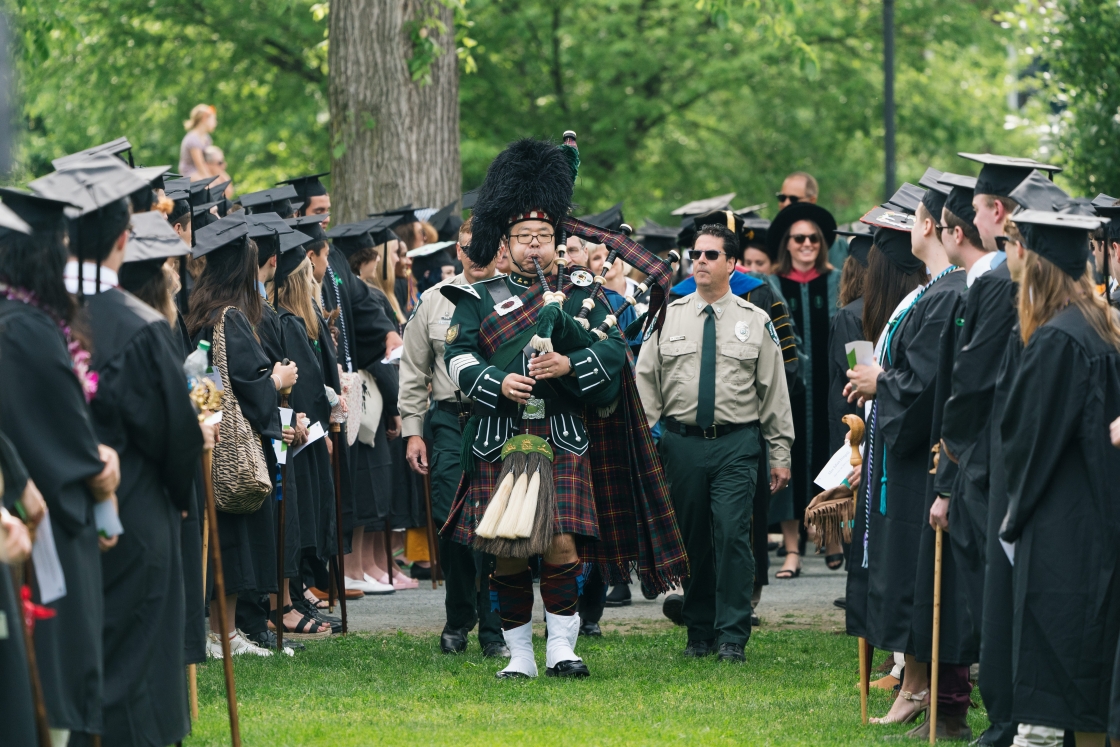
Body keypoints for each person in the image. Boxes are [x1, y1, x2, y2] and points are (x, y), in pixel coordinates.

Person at [442, 137, 687, 680]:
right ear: (504, 243)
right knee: (507, 549)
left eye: (544, 237)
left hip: (562, 436)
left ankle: (561, 649)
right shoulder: (478, 298)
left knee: (559, 542)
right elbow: (454, 356)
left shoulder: (581, 295)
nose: (535, 246)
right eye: (524, 237)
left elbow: (614, 350)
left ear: (558, 241)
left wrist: (569, 367)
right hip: (498, 438)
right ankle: (520, 656)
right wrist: (496, 380)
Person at [637, 223, 794, 661]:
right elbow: (646, 381)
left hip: (736, 443)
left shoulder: (755, 320)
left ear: (731, 263)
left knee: (731, 534)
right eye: (696, 254)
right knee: (692, 541)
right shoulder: (667, 315)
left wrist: (779, 453)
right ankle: (699, 631)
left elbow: (774, 391)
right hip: (681, 444)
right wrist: (646, 444)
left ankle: (731, 635)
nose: (699, 261)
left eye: (710, 255)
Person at [0, 188, 121, 745]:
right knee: (54, 680)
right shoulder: (23, 328)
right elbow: (70, 440)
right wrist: (101, 468)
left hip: (39, 516)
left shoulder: (20, 319)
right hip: (46, 528)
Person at [998, 207, 1120, 746]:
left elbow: (1030, 443)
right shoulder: (1102, 327)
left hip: (1060, 529)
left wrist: (1012, 514)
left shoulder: (1055, 341)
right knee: (1088, 688)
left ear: (1038, 268)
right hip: (1100, 521)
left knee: (1050, 680)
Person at [844, 193, 966, 727]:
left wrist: (881, 383)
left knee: (919, 571)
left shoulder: (947, 294)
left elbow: (925, 384)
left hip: (920, 462)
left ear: (933, 229)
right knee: (904, 568)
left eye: (915, 220)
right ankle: (913, 684)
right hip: (899, 458)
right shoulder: (930, 292)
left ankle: (922, 689)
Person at [187, 216, 297, 658]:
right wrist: (279, 380)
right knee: (232, 534)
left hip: (212, 433)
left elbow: (205, 384)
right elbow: (250, 386)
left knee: (221, 533)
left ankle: (223, 632)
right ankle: (225, 633)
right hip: (236, 444)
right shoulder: (231, 318)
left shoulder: (199, 313)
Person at [399, 217, 509, 656]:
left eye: (485, 247)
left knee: (499, 526)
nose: (477, 255)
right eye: (468, 247)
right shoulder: (433, 301)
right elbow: (413, 370)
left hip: (500, 419)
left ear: (500, 249)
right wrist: (413, 432)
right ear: (458, 252)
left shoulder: (515, 297)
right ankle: (459, 616)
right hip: (448, 420)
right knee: (453, 522)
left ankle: (495, 626)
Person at [767, 200, 838, 579]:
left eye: (813, 238)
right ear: (787, 243)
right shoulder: (773, 284)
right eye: (799, 238)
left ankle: (830, 537)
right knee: (789, 461)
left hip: (831, 388)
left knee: (829, 457)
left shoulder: (838, 279)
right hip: (790, 389)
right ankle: (792, 550)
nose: (807, 244)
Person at [179, 104, 218, 179]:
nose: (215, 123)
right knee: (212, 186)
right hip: (190, 173)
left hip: (201, 170)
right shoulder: (193, 139)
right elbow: (200, 165)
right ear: (204, 118)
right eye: (213, 119)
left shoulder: (207, 138)